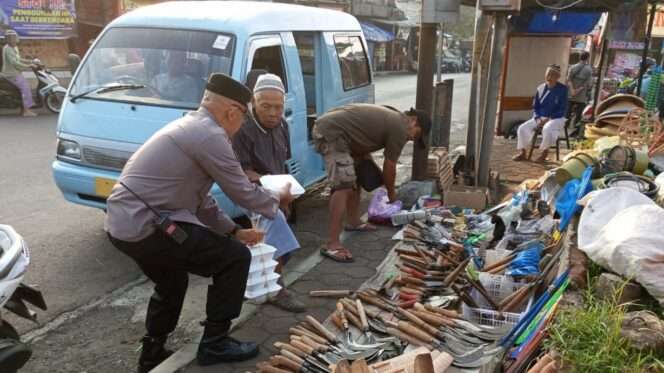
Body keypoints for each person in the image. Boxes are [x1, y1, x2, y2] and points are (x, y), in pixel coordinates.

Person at [105, 73, 293, 372]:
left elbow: (202, 201)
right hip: (149, 225)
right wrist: (278, 199)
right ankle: (215, 344)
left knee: (172, 280)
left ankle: (152, 352)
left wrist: (234, 230)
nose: (242, 124)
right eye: (243, 116)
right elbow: (242, 191)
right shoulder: (210, 135)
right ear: (233, 111)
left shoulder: (192, 126)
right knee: (234, 259)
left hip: (124, 225)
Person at [313, 104, 430, 262]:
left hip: (346, 136)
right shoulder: (401, 127)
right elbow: (390, 165)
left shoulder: (396, 117)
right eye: (417, 135)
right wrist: (391, 194)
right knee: (343, 185)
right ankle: (332, 244)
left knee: (360, 173)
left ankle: (353, 221)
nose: (412, 139)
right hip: (333, 133)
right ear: (414, 121)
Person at [232, 73, 306, 313]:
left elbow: (282, 161)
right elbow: (239, 170)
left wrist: (284, 189)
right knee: (276, 228)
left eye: (278, 107)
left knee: (263, 241)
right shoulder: (242, 129)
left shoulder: (281, 124)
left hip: (276, 187)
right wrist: (267, 185)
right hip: (249, 189)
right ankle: (277, 290)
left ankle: (249, 283)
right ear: (254, 102)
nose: (274, 113)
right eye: (266, 106)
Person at [513, 65, 568, 163]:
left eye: (553, 75)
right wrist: (538, 118)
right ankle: (523, 152)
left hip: (556, 118)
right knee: (522, 128)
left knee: (547, 128)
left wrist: (548, 119)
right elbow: (536, 107)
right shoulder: (541, 88)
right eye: (548, 75)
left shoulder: (563, 89)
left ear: (558, 77)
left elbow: (562, 109)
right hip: (540, 117)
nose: (549, 78)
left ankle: (544, 154)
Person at [2, 30, 37, 116]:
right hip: (11, 74)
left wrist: (31, 61)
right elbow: (14, 63)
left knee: (24, 87)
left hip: (16, 72)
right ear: (8, 40)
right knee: (26, 88)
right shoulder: (7, 49)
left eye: (14, 38)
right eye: (11, 38)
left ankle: (24, 108)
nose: (14, 40)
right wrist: (28, 66)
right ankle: (26, 111)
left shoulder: (15, 47)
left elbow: (19, 59)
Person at [566, 51, 593, 126]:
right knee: (579, 112)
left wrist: (572, 90)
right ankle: (575, 126)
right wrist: (578, 90)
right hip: (581, 96)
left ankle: (565, 125)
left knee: (567, 111)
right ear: (587, 58)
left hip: (571, 94)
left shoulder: (572, 67)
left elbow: (568, 80)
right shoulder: (589, 69)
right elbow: (588, 84)